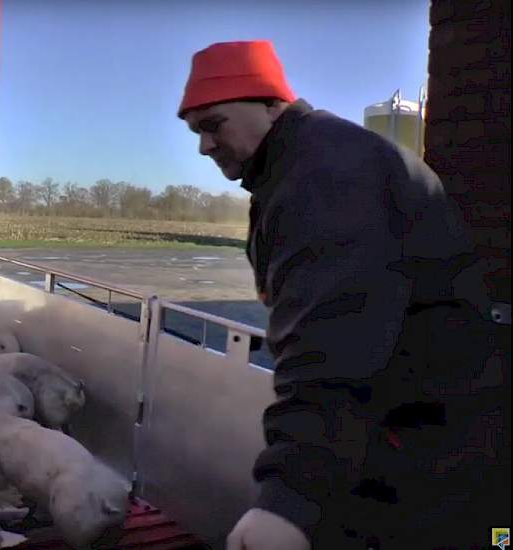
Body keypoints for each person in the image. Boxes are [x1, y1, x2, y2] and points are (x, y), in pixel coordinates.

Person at [176, 40, 510, 549]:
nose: (203, 146)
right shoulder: (299, 166)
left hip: (433, 461)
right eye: (195, 131)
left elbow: (332, 344)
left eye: (212, 124)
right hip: (406, 444)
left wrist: (288, 499)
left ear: (270, 103)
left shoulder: (325, 177)